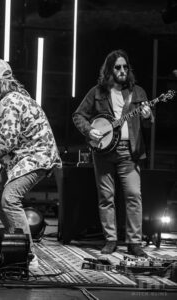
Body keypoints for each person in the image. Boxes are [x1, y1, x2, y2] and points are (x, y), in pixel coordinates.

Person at [0, 58, 62, 245]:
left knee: (9, 199)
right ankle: (14, 241)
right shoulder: (16, 97)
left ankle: (26, 254)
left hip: (35, 157)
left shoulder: (9, 104)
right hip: (25, 155)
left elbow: (6, 143)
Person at [73, 49, 152, 257]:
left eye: (125, 67)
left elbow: (148, 124)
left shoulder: (139, 93)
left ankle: (135, 243)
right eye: (118, 67)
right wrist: (90, 130)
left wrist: (147, 116)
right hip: (104, 152)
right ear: (109, 70)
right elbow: (78, 115)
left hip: (129, 151)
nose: (122, 70)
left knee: (134, 196)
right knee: (106, 197)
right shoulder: (97, 92)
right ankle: (110, 240)